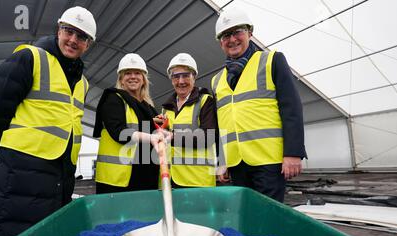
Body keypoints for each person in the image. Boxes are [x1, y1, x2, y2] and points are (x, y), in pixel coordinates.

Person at [0, 6, 96, 236]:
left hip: (60, 173)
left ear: (88, 44)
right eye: (69, 31)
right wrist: (10, 153)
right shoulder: (29, 57)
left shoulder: (83, 82)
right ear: (58, 30)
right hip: (22, 171)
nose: (73, 40)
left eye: (81, 36)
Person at [211, 7, 306, 203]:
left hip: (268, 161)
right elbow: (221, 125)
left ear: (250, 33)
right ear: (221, 43)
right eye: (225, 35)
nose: (232, 39)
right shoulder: (217, 80)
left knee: (268, 216)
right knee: (245, 213)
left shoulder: (272, 61)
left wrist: (293, 153)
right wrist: (223, 161)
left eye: (238, 31)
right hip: (236, 163)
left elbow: (292, 108)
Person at [93, 53, 165, 194]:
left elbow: (146, 127)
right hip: (119, 180)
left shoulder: (148, 107)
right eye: (128, 73)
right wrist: (150, 137)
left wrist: (158, 123)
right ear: (121, 79)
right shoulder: (113, 99)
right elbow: (118, 131)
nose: (133, 76)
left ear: (143, 79)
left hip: (145, 177)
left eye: (137, 73)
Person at [161, 53, 218, 187]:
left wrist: (172, 136)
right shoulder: (166, 108)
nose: (181, 81)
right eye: (176, 76)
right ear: (171, 79)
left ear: (194, 77)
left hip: (197, 180)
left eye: (186, 75)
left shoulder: (205, 101)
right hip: (170, 178)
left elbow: (208, 137)